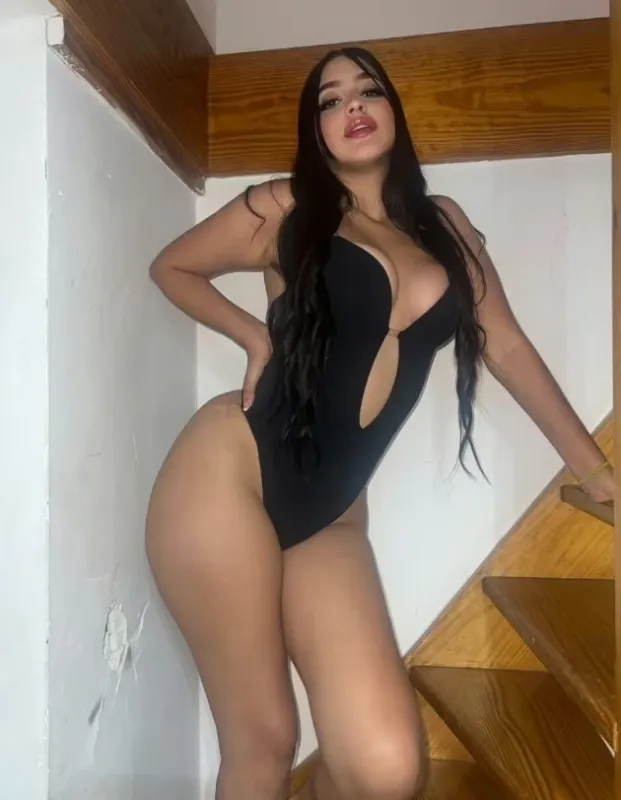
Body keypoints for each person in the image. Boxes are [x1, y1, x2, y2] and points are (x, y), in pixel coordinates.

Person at [145, 46, 615, 800]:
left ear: (393, 109)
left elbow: (506, 346)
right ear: (315, 130)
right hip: (229, 476)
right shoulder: (284, 208)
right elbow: (172, 267)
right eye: (329, 101)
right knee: (265, 742)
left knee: (388, 768)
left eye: (367, 90)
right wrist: (254, 336)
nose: (351, 106)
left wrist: (596, 473)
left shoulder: (445, 226)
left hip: (330, 518)